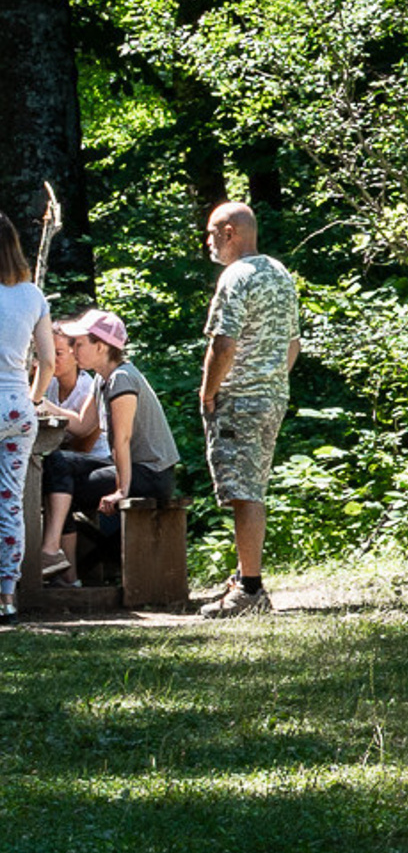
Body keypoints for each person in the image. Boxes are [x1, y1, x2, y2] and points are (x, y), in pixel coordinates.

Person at [198, 201, 299, 618]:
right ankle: (245, 579)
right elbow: (292, 344)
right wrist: (272, 379)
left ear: (229, 232)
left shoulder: (235, 276)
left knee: (243, 493)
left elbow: (223, 344)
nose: (207, 243)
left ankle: (250, 591)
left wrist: (209, 392)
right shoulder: (279, 273)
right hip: (273, 396)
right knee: (251, 488)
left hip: (240, 399)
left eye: (210, 234)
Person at [59, 312, 183, 563]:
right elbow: (83, 425)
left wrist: (120, 491)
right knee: (56, 463)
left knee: (63, 491)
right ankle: (59, 556)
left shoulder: (122, 379)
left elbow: (122, 439)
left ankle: (73, 569)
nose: (73, 351)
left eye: (79, 344)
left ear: (101, 346)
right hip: (129, 468)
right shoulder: (101, 380)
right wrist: (38, 403)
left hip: (151, 474)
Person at [0, 215, 54, 622]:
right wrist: (33, 400)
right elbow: (48, 361)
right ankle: (7, 597)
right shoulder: (33, 295)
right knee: (11, 504)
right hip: (18, 407)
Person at [32, 323, 107, 584]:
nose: (50, 359)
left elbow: (84, 443)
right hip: (63, 464)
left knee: (53, 476)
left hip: (97, 463)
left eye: (59, 353)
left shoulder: (89, 388)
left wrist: (42, 403)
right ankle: (66, 575)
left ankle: (60, 568)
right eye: (45, 353)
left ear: (76, 355)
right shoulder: (49, 385)